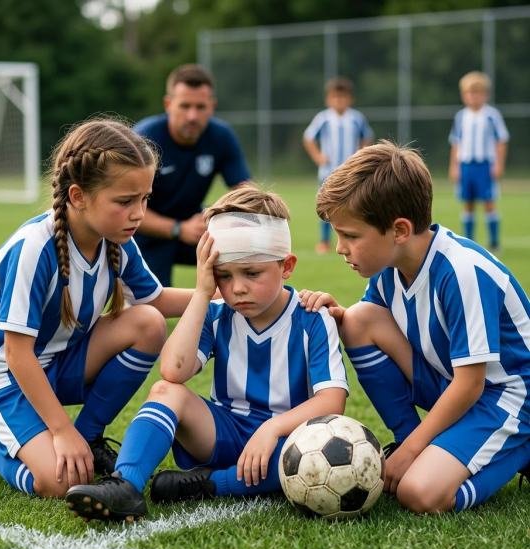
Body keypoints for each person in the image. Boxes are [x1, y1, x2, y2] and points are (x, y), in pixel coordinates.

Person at [0, 117, 196, 499]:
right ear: (78, 196)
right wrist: (60, 430)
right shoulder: (33, 248)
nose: (139, 213)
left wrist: (217, 291)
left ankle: (89, 437)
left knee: (149, 323)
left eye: (144, 199)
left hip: (56, 362)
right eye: (125, 201)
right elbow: (15, 352)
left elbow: (155, 301)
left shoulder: (117, 239)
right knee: (62, 483)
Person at [65, 183, 349, 522]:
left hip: (284, 440)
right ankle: (126, 485)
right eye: (223, 276)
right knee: (166, 392)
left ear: (286, 266)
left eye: (252, 273)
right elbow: (173, 370)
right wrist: (202, 294)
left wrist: (272, 430)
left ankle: (209, 485)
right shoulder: (217, 312)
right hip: (222, 431)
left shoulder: (312, 317)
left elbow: (332, 401)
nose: (238, 287)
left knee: (308, 459)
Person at [314, 140, 530, 514]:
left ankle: (521, 446)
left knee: (419, 493)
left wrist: (416, 451)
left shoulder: (462, 272)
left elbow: (472, 382)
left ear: (399, 230)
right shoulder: (387, 272)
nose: (339, 247)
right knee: (356, 319)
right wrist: (331, 315)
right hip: (453, 382)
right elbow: (371, 327)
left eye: (350, 235)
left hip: (507, 395)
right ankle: (407, 438)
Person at [132, 63, 251, 287]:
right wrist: (178, 228)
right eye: (185, 106)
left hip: (196, 228)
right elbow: (126, 209)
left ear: (212, 106)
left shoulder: (221, 136)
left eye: (200, 107)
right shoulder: (144, 139)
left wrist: (219, 218)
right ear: (168, 104)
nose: (192, 116)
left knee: (246, 256)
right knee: (151, 315)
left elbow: (246, 193)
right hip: (145, 235)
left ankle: (231, 315)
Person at [303, 76, 373, 255]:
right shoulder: (323, 119)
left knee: (355, 204)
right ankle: (325, 241)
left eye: (343, 97)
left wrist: (361, 156)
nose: (339, 101)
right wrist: (318, 156)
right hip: (328, 172)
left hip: (352, 172)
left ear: (350, 98)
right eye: (335, 97)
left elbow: (367, 137)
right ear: (329, 99)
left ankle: (354, 236)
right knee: (327, 206)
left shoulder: (357, 118)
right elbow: (309, 138)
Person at [449, 71, 509, 252]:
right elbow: (456, 143)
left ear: (486, 95)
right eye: (469, 93)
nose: (473, 97)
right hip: (466, 165)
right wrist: (454, 166)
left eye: (477, 93)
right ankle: (468, 242)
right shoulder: (461, 117)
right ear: (463, 95)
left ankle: (494, 242)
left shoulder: (492, 115)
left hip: (485, 166)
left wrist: (498, 164)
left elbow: (501, 141)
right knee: (468, 203)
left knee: (489, 202)